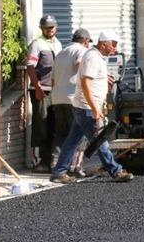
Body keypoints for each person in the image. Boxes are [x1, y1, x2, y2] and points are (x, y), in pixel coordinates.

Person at [51, 30, 133, 184]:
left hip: (84, 106)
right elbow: (85, 83)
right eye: (113, 44)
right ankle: (116, 170)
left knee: (72, 141)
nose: (115, 48)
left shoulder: (96, 57)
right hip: (86, 107)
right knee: (99, 140)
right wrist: (95, 108)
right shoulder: (92, 57)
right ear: (103, 44)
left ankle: (59, 171)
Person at [49, 28, 91, 176]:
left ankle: (56, 164)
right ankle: (75, 166)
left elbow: (52, 79)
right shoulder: (81, 50)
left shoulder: (61, 53)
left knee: (61, 133)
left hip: (57, 99)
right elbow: (79, 64)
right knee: (79, 133)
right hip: (73, 98)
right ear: (85, 41)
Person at [25, 14, 62, 173]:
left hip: (54, 92)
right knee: (41, 125)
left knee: (52, 125)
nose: (50, 30)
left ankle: (50, 161)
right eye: (47, 27)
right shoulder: (36, 44)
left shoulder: (58, 44)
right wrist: (37, 87)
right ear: (42, 28)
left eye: (52, 27)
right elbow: (30, 67)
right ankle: (39, 161)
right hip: (40, 91)